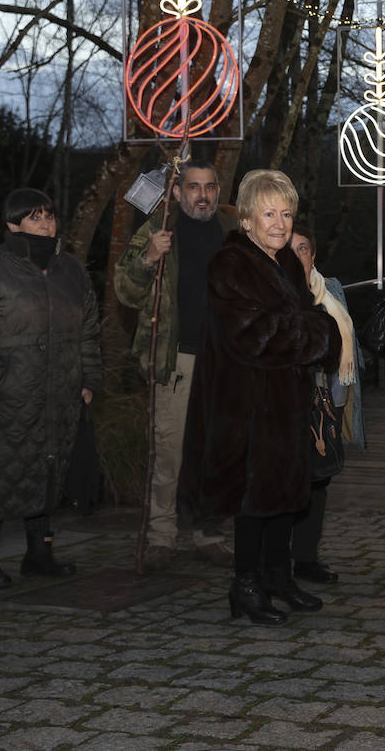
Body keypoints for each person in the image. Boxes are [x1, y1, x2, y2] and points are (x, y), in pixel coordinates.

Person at [178, 170, 340, 626]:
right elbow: (256, 336)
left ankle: (277, 576)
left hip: (283, 401)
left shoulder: (285, 262)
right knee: (253, 500)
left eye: (286, 213)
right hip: (244, 404)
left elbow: (297, 324)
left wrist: (311, 330)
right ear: (246, 220)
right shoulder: (231, 263)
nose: (280, 223)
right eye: (269, 213)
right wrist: (320, 332)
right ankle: (245, 587)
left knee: (284, 496)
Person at [0, 188, 101, 589]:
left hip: (61, 395)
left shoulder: (72, 271)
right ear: (13, 224)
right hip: (5, 398)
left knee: (48, 471)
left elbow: (89, 331)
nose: (45, 223)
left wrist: (87, 380)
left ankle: (40, 553)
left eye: (49, 215)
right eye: (34, 217)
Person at [114, 161, 236, 570]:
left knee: (217, 452)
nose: (202, 194)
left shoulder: (232, 233)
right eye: (193, 187)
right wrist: (148, 258)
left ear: (218, 191)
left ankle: (210, 533)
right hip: (177, 359)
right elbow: (126, 293)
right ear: (178, 192)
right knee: (168, 453)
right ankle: (161, 537)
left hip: (224, 363)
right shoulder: (158, 228)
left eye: (209, 187)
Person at [288, 224, 364, 585]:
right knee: (285, 481)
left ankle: (305, 558)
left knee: (317, 484)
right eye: (290, 249)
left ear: (313, 254)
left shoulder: (328, 290)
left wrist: (339, 406)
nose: (297, 255)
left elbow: (346, 346)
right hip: (284, 403)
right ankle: (272, 562)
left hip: (323, 400)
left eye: (303, 248)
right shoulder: (273, 291)